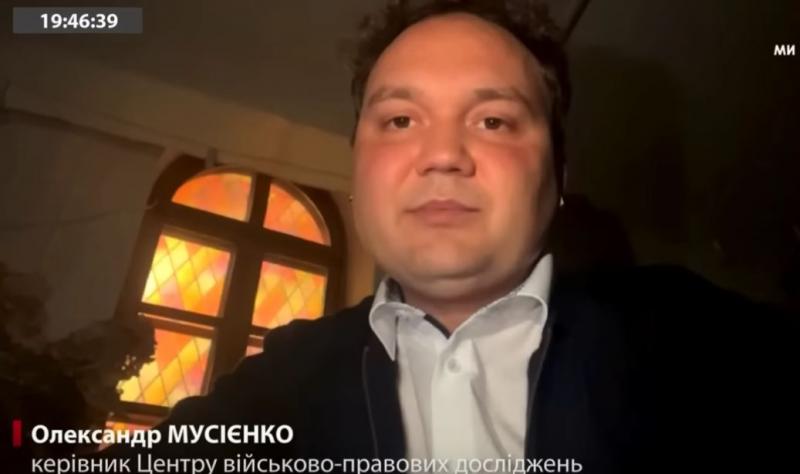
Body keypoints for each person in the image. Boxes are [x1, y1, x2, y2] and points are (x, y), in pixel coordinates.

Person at [101, 1, 797, 472]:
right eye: (399, 121)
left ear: (559, 177)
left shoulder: (698, 341)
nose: (441, 155)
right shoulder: (281, 380)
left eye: (493, 121)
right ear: (358, 173)